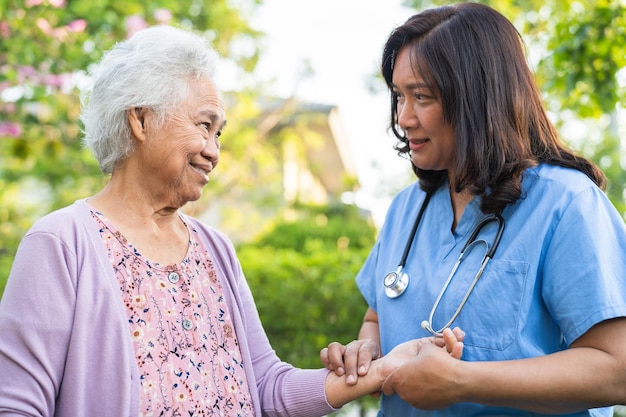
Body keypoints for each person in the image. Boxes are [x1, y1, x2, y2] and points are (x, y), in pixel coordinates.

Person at [0, 25, 464, 416]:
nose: (214, 152)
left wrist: (384, 369)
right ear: (140, 121)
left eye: (218, 133)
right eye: (204, 126)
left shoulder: (213, 248)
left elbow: (266, 384)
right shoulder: (60, 244)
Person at [321, 2, 626, 416]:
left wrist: (461, 382)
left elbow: (617, 370)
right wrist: (368, 350)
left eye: (421, 97)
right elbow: (377, 317)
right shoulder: (405, 210)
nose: (403, 117)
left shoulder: (566, 203)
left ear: (478, 98)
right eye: (398, 96)